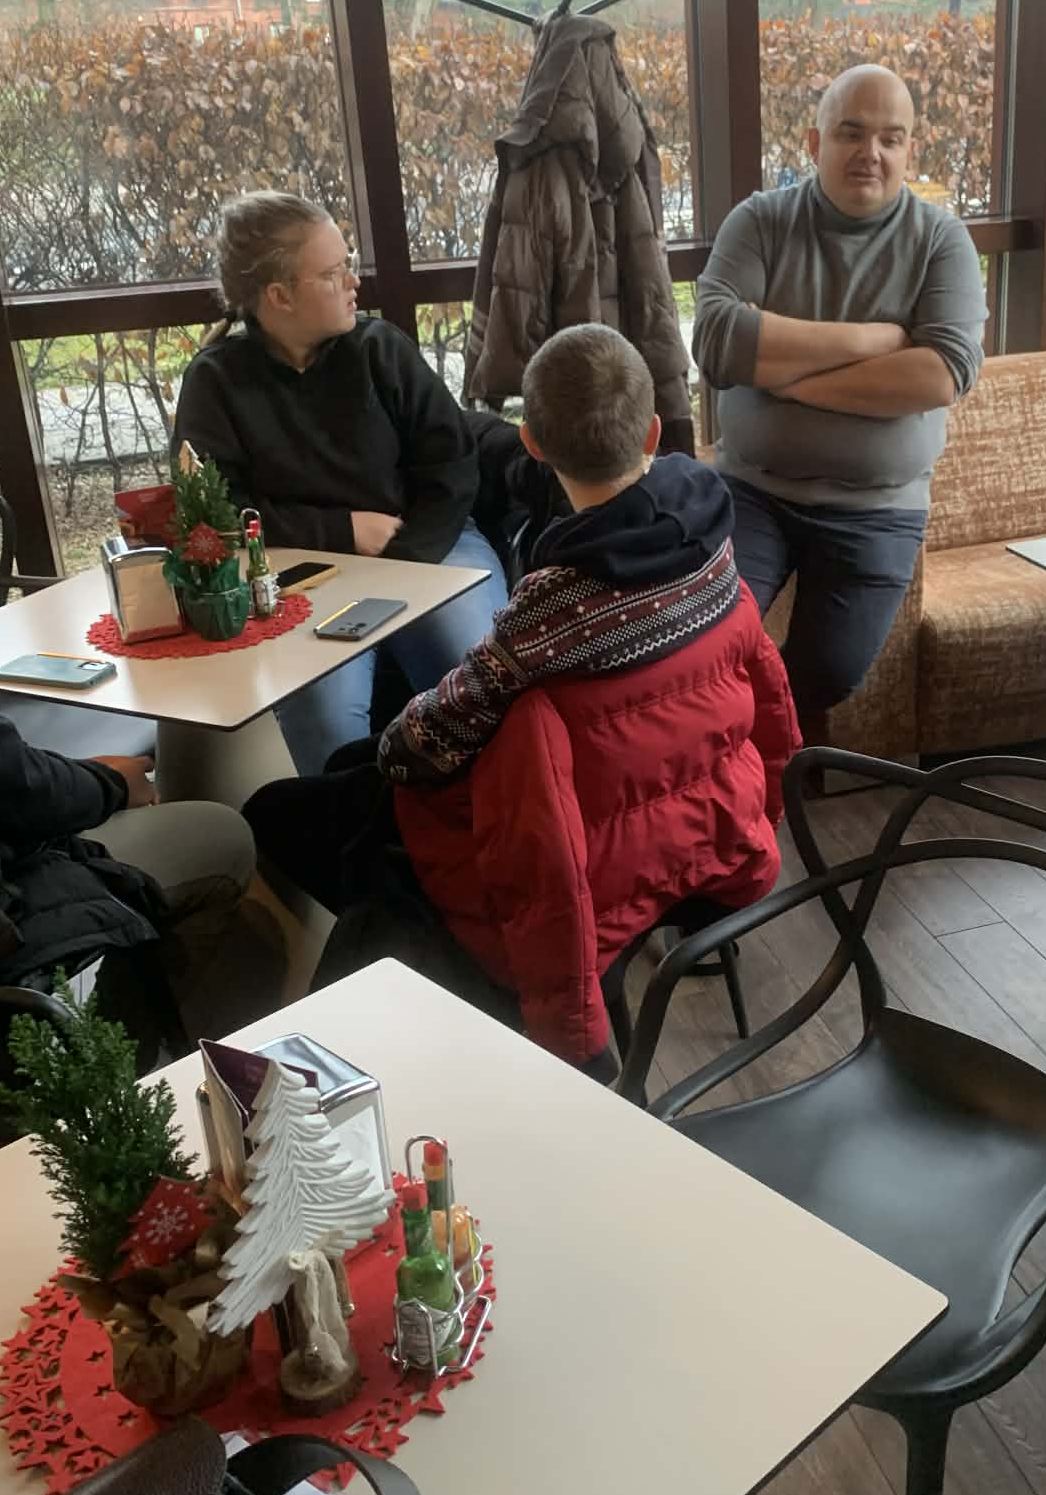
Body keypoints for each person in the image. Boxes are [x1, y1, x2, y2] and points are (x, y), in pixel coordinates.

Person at [245, 323, 799, 1077]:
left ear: (531, 445)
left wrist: (389, 743)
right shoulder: (712, 537)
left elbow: (425, 742)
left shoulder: (553, 608)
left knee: (283, 810)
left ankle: (340, 1052)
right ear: (653, 431)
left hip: (576, 869)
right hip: (703, 823)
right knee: (353, 779)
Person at [0, 400, 282, 1117]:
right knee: (223, 833)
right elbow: (12, 788)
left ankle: (9, 1068)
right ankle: (121, 1098)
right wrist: (108, 784)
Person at [692, 64, 986, 737]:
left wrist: (785, 378)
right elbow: (716, 342)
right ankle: (739, 767)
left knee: (831, 671)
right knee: (709, 637)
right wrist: (873, 338)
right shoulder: (761, 221)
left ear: (909, 149)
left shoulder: (941, 241)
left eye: (890, 138)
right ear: (814, 141)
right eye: (851, 133)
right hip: (753, 490)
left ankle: (759, 756)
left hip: (877, 508)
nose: (870, 153)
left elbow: (942, 373)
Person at [171, 192, 508, 774]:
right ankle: (362, 826)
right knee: (324, 724)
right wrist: (341, 531)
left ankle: (481, 814)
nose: (354, 281)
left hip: (431, 544)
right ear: (279, 297)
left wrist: (400, 564)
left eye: (347, 263)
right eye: (332, 273)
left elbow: (452, 465)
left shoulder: (380, 348)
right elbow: (215, 516)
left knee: (481, 681)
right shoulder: (215, 381)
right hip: (303, 575)